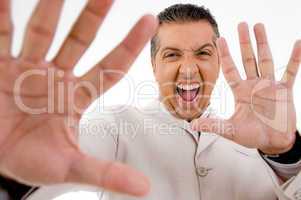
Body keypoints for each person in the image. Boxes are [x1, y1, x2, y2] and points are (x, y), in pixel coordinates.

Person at [1, 1, 301, 200]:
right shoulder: (115, 126)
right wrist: (10, 173)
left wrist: (287, 154)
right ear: (154, 66)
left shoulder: (258, 144)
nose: (187, 68)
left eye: (203, 53)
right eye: (172, 55)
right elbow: (56, 163)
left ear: (219, 62)